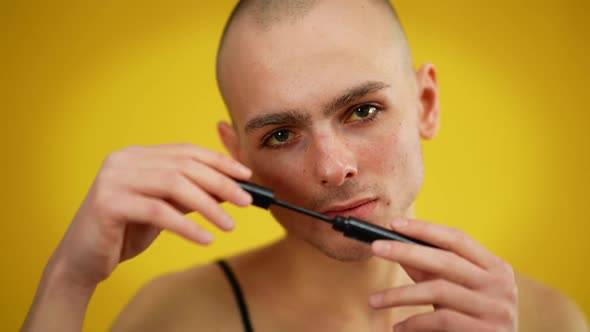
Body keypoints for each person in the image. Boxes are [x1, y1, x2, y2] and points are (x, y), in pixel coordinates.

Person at [22, 0, 588, 331]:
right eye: (282, 134)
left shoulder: (550, 321)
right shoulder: (172, 318)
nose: (333, 167)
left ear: (426, 105)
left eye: (362, 110)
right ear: (237, 155)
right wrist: (68, 280)